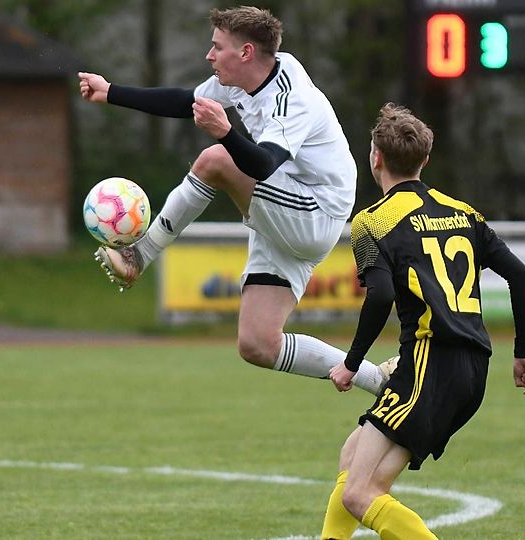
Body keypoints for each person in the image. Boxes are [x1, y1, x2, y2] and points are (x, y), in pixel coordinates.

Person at [78, 6, 394, 394]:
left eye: (217, 47)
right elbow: (184, 102)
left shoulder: (293, 99)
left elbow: (262, 165)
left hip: (315, 209)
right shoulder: (239, 78)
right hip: (287, 201)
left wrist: (227, 134)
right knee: (258, 344)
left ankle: (139, 254)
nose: (209, 56)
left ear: (245, 52)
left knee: (216, 160)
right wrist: (110, 91)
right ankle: (378, 380)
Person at [320, 103, 525, 539]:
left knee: (358, 495)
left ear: (375, 158)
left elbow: (381, 294)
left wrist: (351, 363)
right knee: (354, 461)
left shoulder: (372, 222)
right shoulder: (463, 212)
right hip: (472, 367)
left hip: (428, 365)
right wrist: (524, 353)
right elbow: (520, 275)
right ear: (425, 160)